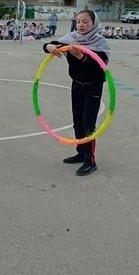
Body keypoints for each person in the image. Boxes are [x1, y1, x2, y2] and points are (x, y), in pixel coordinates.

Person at [42, 9, 110, 176]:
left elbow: (100, 68)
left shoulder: (100, 42)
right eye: (78, 21)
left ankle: (90, 161)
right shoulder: (71, 39)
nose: (81, 24)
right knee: (77, 122)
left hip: (93, 86)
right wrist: (49, 46)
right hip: (77, 85)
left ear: (94, 24)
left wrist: (80, 56)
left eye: (86, 21)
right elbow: (49, 45)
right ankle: (81, 152)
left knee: (88, 125)